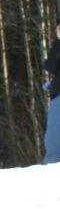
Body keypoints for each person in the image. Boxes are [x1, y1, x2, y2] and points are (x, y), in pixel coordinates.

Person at [43, 24, 60, 164]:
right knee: (54, 140)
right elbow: (49, 66)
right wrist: (58, 40)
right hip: (58, 96)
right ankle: (51, 169)